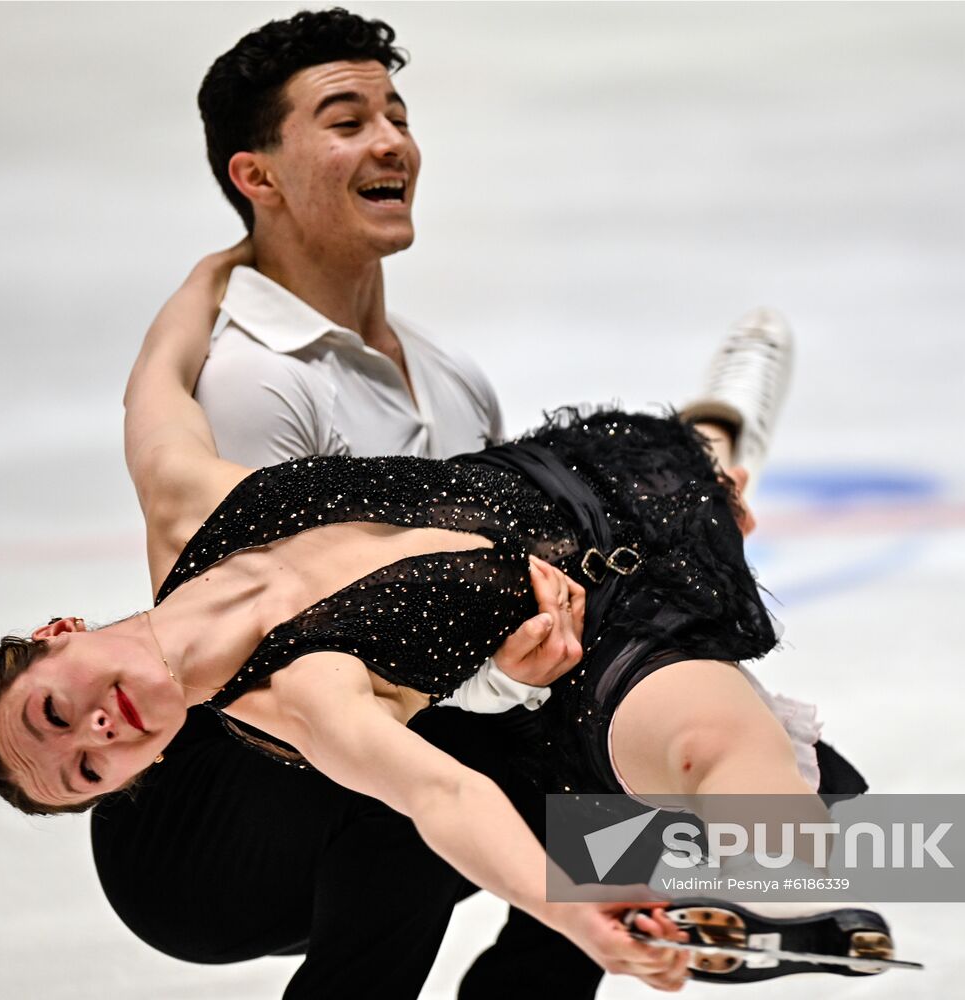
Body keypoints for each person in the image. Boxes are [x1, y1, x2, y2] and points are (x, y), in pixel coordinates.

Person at [82, 9, 801, 998]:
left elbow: (497, 567)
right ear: (257, 177)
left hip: (391, 722)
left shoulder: (445, 375)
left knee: (613, 775)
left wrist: (670, 536)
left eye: (397, 114)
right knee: (473, 774)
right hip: (217, 813)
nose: (390, 142)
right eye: (345, 120)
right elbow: (305, 661)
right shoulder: (260, 382)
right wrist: (507, 685)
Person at [0, 234, 898, 993]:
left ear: (58, 635)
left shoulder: (188, 508)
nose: (96, 732)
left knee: (701, 461)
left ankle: (727, 418)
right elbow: (441, 797)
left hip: (574, 478)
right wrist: (574, 913)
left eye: (53, 711)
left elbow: (157, 379)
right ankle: (779, 896)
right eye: (90, 771)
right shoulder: (296, 698)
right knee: (711, 744)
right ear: (135, 775)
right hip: (608, 633)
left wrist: (217, 267)